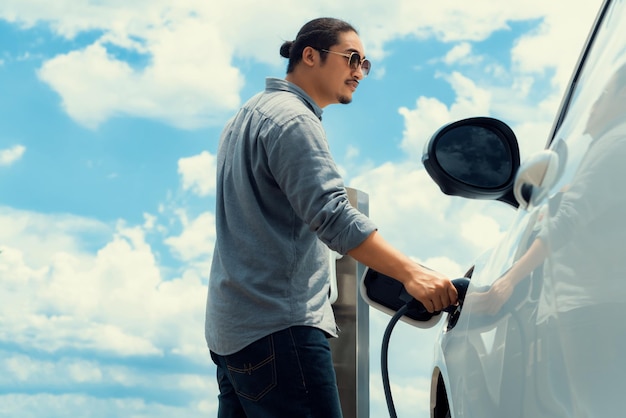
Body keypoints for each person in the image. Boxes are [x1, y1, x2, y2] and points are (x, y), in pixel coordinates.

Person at [205, 17, 458, 418]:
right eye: (351, 58)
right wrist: (412, 273)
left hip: (232, 334)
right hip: (280, 329)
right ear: (310, 56)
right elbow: (333, 215)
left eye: (366, 63)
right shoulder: (293, 120)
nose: (359, 71)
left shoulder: (243, 118)